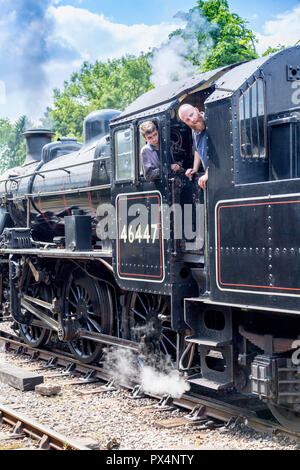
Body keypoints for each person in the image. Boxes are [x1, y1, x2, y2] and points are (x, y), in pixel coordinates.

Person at [178, 104, 208, 190]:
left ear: (196, 109)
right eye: (187, 119)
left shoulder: (212, 120)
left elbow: (223, 151)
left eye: (191, 115)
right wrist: (195, 169)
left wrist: (209, 173)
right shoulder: (194, 130)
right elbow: (197, 149)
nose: (192, 120)